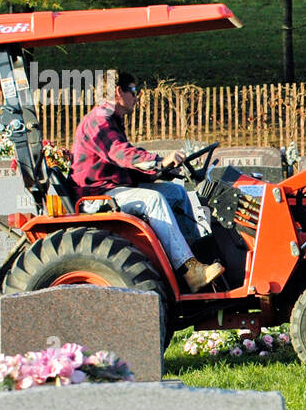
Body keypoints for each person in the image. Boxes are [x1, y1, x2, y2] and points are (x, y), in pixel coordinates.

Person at [71, 72, 225, 291]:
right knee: (153, 199)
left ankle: (195, 259)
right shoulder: (98, 121)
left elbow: (125, 167)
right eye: (134, 91)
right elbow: (122, 154)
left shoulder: (112, 121)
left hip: (114, 188)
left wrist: (163, 170)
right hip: (98, 195)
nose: (137, 97)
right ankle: (188, 269)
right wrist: (158, 162)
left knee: (176, 193)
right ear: (118, 92)